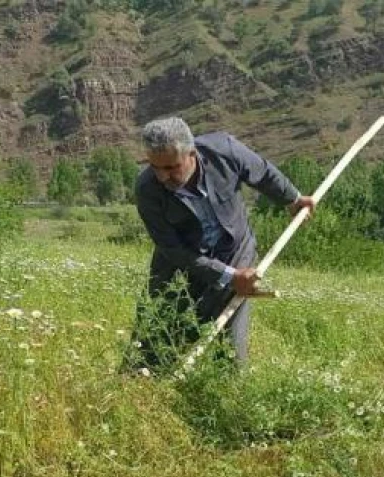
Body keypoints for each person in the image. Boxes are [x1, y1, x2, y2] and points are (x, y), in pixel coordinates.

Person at [124, 116, 315, 374]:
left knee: (229, 346)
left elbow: (263, 173)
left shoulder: (223, 150)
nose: (163, 177)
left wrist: (292, 199)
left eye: (171, 167)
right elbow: (172, 249)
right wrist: (226, 275)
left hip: (234, 251)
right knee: (155, 332)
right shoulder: (147, 189)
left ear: (192, 154)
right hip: (180, 261)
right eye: (155, 167)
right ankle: (139, 387)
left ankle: (227, 392)